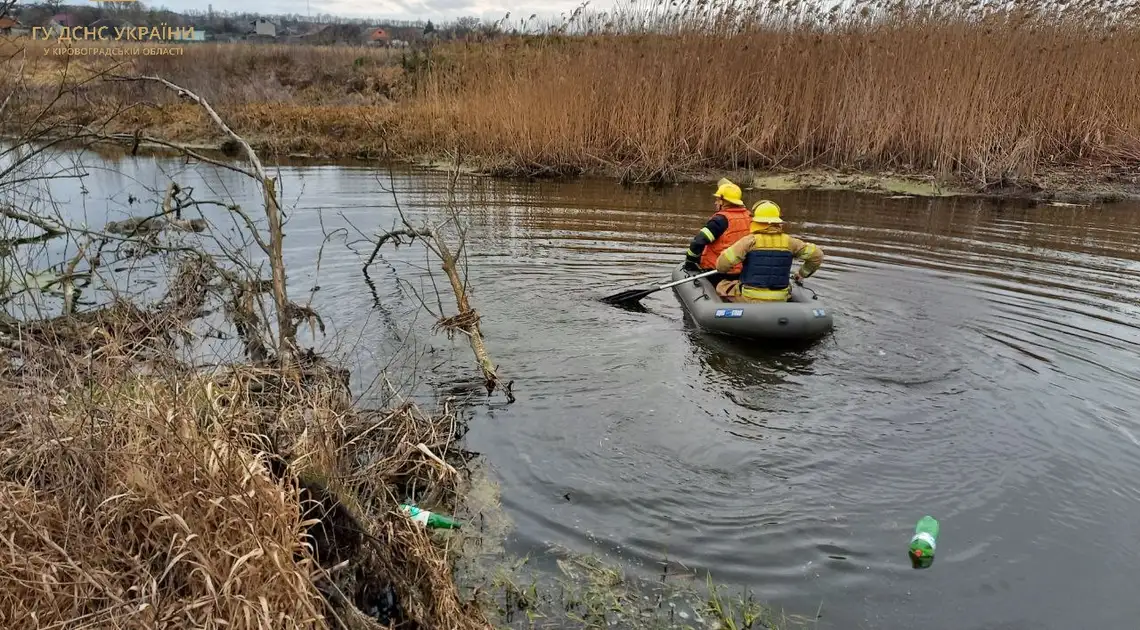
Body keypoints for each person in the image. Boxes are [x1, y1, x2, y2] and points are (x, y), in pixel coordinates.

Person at [713, 199, 823, 302]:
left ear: (755, 220)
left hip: (749, 298)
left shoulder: (748, 241)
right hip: (781, 297)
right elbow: (817, 255)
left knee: (722, 285)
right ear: (778, 222)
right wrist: (801, 273)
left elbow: (721, 265)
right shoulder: (791, 242)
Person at [682, 178, 753, 285]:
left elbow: (698, 242)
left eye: (718, 200)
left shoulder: (720, 221)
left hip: (717, 272)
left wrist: (690, 263)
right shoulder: (750, 217)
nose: (715, 203)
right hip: (742, 273)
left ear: (724, 202)